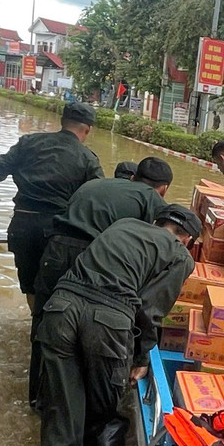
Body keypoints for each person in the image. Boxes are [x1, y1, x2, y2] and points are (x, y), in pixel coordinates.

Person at [36, 206, 198, 446]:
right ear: (187, 239)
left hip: (60, 310)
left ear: (155, 222)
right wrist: (140, 358)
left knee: (62, 411)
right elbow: (150, 310)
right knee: (105, 415)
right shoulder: (180, 256)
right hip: (107, 325)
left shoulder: (123, 224)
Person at [28, 157, 173, 408]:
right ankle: (79, 402)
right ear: (164, 189)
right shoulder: (152, 199)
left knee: (46, 323)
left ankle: (37, 398)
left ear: (134, 176)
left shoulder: (95, 185)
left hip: (55, 251)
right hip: (91, 258)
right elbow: (155, 242)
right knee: (88, 323)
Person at [0, 101, 103, 307]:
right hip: (59, 233)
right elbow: (97, 197)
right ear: (87, 129)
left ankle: (33, 319)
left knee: (31, 286)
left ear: (62, 121)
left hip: (23, 226)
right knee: (57, 289)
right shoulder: (88, 158)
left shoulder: (29, 143)